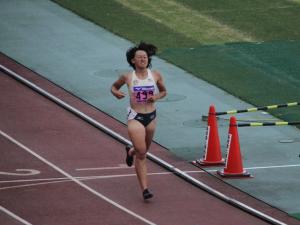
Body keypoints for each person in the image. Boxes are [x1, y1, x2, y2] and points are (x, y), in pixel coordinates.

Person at [111, 42, 167, 200]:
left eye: (145, 57)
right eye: (139, 57)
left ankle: (130, 151)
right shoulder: (128, 77)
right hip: (135, 117)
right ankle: (145, 189)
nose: (143, 59)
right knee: (142, 154)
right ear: (133, 61)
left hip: (151, 116)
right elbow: (114, 87)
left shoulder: (155, 75)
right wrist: (116, 93)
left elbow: (164, 91)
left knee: (142, 149)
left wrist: (156, 96)